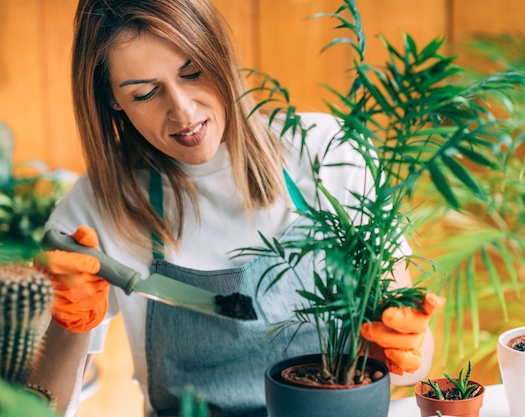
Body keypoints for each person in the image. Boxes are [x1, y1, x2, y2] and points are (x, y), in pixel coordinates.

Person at [29, 1, 440, 416]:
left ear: (219, 56)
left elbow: (408, 371)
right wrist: (67, 326)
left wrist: (402, 343)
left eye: (192, 73)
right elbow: (37, 409)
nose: (183, 111)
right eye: (145, 92)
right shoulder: (97, 207)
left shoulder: (328, 153)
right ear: (112, 99)